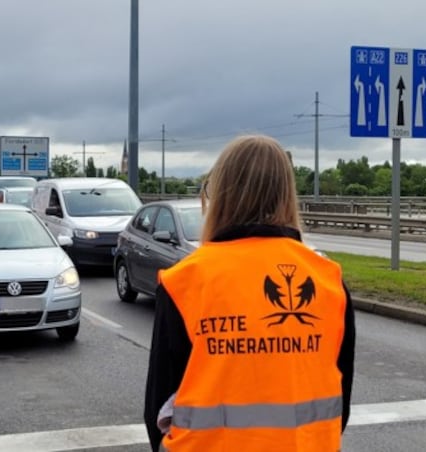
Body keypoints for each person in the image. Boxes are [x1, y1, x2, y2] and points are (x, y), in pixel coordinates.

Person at [143, 135, 356, 452]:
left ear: (219, 195)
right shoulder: (328, 281)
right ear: (287, 195)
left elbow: (158, 408)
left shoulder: (185, 281)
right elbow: (340, 403)